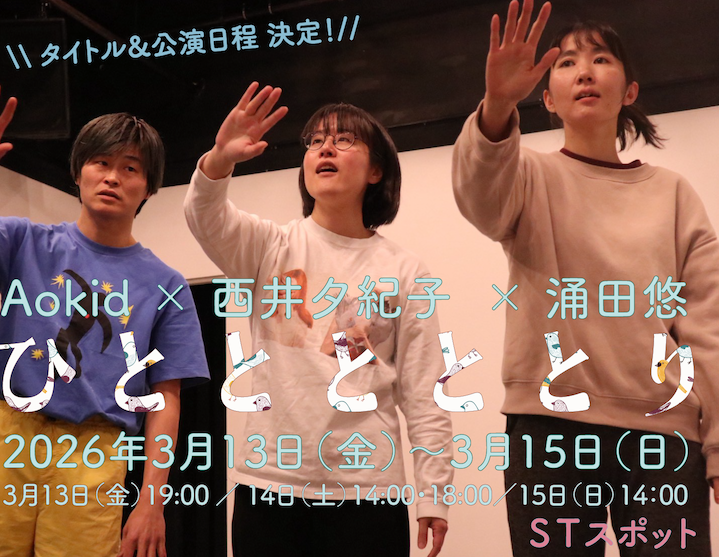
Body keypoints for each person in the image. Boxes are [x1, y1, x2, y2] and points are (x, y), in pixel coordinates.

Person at [452, 1, 719, 555]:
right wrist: (497, 104)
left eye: (601, 59)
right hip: (549, 428)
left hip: (662, 432)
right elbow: (479, 197)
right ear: (548, 98)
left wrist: (718, 443)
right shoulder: (527, 174)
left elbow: (707, 328)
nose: (585, 72)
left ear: (630, 91)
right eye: (567, 62)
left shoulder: (673, 194)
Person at [184, 82, 453, 557]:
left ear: (376, 170)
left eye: (344, 139)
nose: (325, 148)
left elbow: (423, 390)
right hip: (269, 484)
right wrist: (220, 160)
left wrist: (434, 491)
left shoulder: (405, 271)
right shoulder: (270, 246)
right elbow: (205, 217)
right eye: (316, 141)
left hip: (368, 490)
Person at [0, 82, 210, 557]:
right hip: (8, 434)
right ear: (78, 172)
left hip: (95, 449)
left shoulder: (166, 284)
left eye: (130, 168)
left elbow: (165, 399)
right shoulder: (24, 242)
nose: (112, 177)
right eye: (100, 162)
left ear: (149, 187)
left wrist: (151, 501)